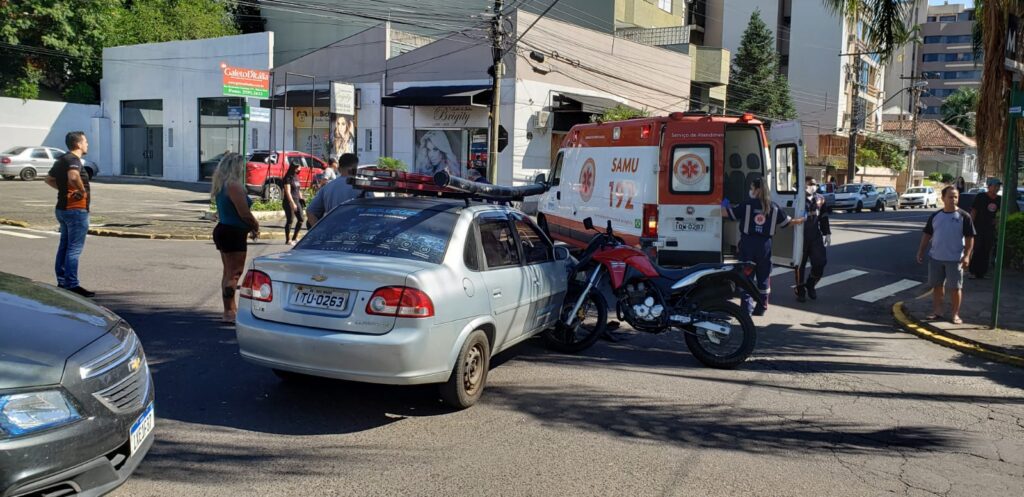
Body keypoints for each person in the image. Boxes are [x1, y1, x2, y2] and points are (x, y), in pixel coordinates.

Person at [722, 177, 805, 315]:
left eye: (752, 188)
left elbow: (726, 213)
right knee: (764, 276)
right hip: (764, 246)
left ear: (757, 189)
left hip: (748, 245)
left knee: (746, 276)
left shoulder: (747, 205)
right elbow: (787, 223)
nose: (750, 191)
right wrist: (802, 219)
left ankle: (746, 309)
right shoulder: (774, 207)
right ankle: (761, 307)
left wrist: (719, 206)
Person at [211, 153, 260, 323]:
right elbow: (244, 213)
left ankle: (229, 309)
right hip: (233, 232)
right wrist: (255, 225)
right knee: (234, 274)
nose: (245, 169)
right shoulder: (234, 186)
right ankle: (230, 312)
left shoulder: (221, 185)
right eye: (242, 166)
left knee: (228, 273)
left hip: (224, 229)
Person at [44, 131, 94, 297]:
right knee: (74, 249)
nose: (87, 144)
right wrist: (81, 190)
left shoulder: (62, 159)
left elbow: (49, 179)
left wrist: (65, 190)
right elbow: (73, 176)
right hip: (75, 210)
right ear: (78, 144)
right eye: (85, 142)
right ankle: (72, 284)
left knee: (64, 246)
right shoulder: (73, 160)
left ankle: (63, 281)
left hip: (62, 209)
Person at [916, 186, 975, 325]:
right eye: (950, 197)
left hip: (955, 259)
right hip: (936, 258)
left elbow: (970, 237)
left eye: (956, 197)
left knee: (955, 288)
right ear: (942, 198)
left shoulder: (964, 216)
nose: (953, 199)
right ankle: (937, 311)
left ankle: (955, 314)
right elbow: (927, 234)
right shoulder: (935, 216)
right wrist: (921, 251)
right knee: (937, 286)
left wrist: (967, 255)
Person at [795, 176, 831, 302]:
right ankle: (800, 290)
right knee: (800, 265)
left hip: (815, 237)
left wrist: (827, 233)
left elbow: (824, 217)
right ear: (804, 185)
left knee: (820, 262)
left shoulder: (820, 199)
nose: (813, 186)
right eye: (810, 184)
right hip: (801, 238)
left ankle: (810, 284)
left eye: (815, 184)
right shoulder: (797, 199)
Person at [307, 153, 361, 227]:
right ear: (355, 168)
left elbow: (310, 211)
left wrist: (319, 230)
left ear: (339, 169)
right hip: (354, 229)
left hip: (332, 230)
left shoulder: (327, 187)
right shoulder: (361, 187)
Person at [969, 178, 1001, 279]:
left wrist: (997, 221)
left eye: (998, 186)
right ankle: (973, 272)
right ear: (989, 186)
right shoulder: (981, 196)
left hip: (990, 229)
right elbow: (974, 211)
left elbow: (1000, 214)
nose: (997, 188)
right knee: (977, 248)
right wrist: (970, 226)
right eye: (995, 186)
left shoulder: (999, 199)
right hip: (978, 227)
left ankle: (983, 272)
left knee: (987, 249)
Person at [282, 161, 305, 245]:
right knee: (290, 220)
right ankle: (288, 240)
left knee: (301, 219)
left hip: (297, 200)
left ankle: (294, 238)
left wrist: (301, 197)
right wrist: (292, 203)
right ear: (295, 168)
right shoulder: (288, 178)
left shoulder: (296, 177)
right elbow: (288, 192)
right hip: (289, 201)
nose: (300, 169)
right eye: (299, 167)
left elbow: (298, 189)